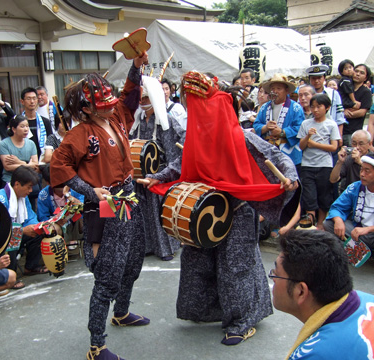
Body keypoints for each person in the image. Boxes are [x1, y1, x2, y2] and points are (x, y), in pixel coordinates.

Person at [144, 72, 299, 346]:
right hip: (202, 213)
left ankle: (241, 320)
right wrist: (160, 176)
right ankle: (212, 310)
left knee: (234, 267)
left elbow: (276, 156)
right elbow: (182, 163)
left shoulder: (241, 137)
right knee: (197, 262)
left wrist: (290, 175)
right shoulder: (198, 137)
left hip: (237, 212)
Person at [50, 52, 149, 360]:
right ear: (85, 109)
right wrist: (90, 191)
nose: (110, 107)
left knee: (133, 259)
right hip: (107, 202)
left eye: (109, 102)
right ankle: (97, 345)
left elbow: (130, 97)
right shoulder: (78, 135)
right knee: (108, 272)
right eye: (101, 105)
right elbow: (58, 167)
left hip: (127, 196)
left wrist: (135, 67)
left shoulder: (115, 116)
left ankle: (121, 312)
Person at [271, 230, 374, 359]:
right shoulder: (367, 299)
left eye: (276, 273)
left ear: (301, 291)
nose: (273, 278)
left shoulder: (315, 354)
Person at [129, 76, 184, 260]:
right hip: (139, 174)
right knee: (141, 212)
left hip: (158, 174)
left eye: (146, 98)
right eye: (141, 99)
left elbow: (178, 144)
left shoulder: (165, 120)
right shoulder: (137, 120)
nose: (143, 102)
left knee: (158, 211)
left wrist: (165, 174)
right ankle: (146, 247)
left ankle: (165, 248)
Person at [0, 166, 48, 282]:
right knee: (14, 237)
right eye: (28, 187)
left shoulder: (23, 197)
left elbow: (31, 217)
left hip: (16, 231)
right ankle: (9, 275)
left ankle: (31, 267)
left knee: (39, 232)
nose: (31, 191)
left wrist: (37, 227)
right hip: (0, 240)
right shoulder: (0, 199)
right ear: (17, 184)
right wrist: (22, 230)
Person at [297, 94, 340, 229]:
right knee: (309, 195)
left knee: (324, 195)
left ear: (327, 108)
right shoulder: (306, 124)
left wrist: (314, 144)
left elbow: (334, 147)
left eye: (319, 107)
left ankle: (321, 224)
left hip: (325, 165)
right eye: (313, 107)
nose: (315, 110)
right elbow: (301, 146)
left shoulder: (331, 124)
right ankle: (310, 222)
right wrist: (308, 136)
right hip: (307, 164)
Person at [254, 73, 304, 171]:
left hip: (289, 152)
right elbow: (256, 124)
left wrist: (282, 132)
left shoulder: (296, 108)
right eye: (273, 89)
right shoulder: (264, 107)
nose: (275, 91)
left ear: (286, 91)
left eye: (279, 88)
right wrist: (265, 127)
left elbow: (299, 128)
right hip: (268, 150)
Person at [324, 153, 374, 250]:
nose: (362, 174)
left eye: (367, 171)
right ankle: (352, 252)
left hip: (371, 233)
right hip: (358, 231)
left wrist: (368, 229)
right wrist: (338, 220)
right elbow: (337, 207)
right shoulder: (355, 187)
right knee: (329, 223)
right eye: (361, 170)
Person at [306, 65, 346, 144]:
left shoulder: (333, 93)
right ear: (310, 79)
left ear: (324, 78)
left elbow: (340, 115)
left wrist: (339, 135)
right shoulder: (304, 94)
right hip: (310, 134)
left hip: (330, 134)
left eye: (319, 78)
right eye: (314, 78)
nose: (317, 81)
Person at [0, 115, 39, 186]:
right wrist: (28, 165)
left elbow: (35, 166)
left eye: (27, 126)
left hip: (28, 180)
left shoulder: (31, 143)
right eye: (22, 126)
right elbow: (8, 167)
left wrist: (18, 162)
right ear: (14, 129)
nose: (26, 129)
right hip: (10, 181)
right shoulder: (4, 144)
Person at [342, 64, 372, 146]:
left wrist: (346, 114)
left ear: (366, 77)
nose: (358, 74)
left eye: (362, 73)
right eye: (356, 71)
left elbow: (362, 112)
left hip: (353, 131)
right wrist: (343, 111)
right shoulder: (345, 87)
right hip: (340, 130)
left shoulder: (366, 92)